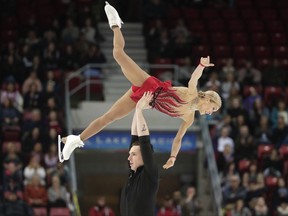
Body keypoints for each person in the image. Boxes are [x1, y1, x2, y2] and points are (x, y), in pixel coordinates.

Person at [60, 1, 221, 169]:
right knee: (117, 53)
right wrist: (201, 66)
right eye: (213, 108)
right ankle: (116, 24)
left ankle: (76, 140)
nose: (210, 112)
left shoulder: (189, 117)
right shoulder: (192, 95)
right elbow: (193, 80)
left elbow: (178, 139)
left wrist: (173, 156)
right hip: (149, 85)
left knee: (109, 117)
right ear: (208, 99)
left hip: (145, 100)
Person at [121, 91, 159, 216]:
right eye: (130, 153)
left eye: (134, 154)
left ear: (145, 156)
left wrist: (139, 110)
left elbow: (144, 139)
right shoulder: (133, 173)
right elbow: (134, 136)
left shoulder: (150, 175)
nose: (129, 157)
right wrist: (137, 108)